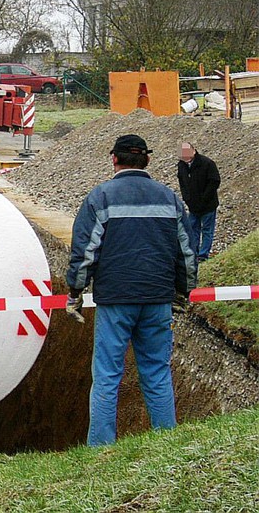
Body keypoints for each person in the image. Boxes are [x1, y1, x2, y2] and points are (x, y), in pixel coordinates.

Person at [65, 134, 197, 447]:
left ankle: (100, 450)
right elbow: (187, 254)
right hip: (157, 299)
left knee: (108, 376)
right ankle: (166, 444)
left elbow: (84, 253)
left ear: (114, 159)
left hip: (115, 301)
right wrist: (183, 294)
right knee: (157, 372)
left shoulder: (100, 198)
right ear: (147, 160)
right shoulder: (169, 198)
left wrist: (75, 293)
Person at [177, 142, 221, 262]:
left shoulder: (207, 163)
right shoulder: (181, 166)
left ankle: (203, 254)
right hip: (193, 206)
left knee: (207, 230)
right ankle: (194, 253)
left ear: (194, 151)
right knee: (192, 229)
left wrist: (204, 199)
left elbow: (214, 181)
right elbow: (182, 183)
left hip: (208, 205)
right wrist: (187, 198)